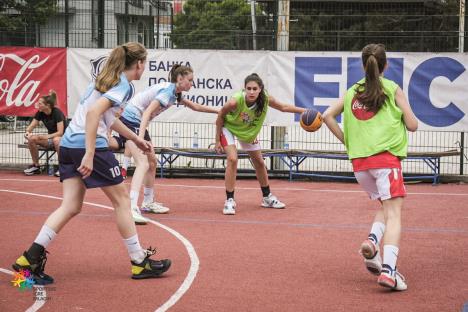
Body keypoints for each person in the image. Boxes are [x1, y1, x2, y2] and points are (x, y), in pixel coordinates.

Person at [12, 42, 171, 284]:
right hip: (88, 147)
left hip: (66, 146)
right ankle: (139, 262)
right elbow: (93, 114)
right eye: (144, 63)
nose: (144, 68)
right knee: (122, 201)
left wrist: (136, 138)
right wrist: (88, 153)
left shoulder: (103, 82)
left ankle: (29, 258)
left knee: (71, 206)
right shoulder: (123, 85)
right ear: (139, 64)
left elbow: (107, 118)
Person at [322, 43, 418, 291]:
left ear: (364, 65)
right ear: (385, 65)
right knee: (395, 213)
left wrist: (348, 141)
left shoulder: (352, 91)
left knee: (386, 206)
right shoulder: (392, 89)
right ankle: (389, 271)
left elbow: (326, 116)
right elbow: (413, 124)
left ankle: (373, 241)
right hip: (385, 160)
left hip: (360, 165)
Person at [115, 64, 219, 224]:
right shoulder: (167, 92)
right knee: (143, 163)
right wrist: (140, 138)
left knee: (152, 162)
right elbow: (148, 112)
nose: (192, 83)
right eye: (190, 80)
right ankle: (131, 206)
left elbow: (196, 106)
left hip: (136, 121)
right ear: (179, 79)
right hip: (131, 120)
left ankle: (148, 202)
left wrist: (220, 111)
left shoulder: (176, 93)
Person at [214, 73, 306, 215]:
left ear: (260, 89)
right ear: (244, 89)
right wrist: (217, 140)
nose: (251, 92)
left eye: (254, 88)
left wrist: (305, 111)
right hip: (229, 128)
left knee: (259, 162)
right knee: (232, 159)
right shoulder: (235, 101)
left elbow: (283, 107)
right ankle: (230, 200)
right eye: (248, 88)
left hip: (248, 132)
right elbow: (220, 116)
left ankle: (267, 197)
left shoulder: (266, 99)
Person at [23, 91, 67, 177]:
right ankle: (36, 166)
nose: (37, 105)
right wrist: (27, 133)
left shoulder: (57, 113)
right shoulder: (40, 112)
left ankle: (63, 168)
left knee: (56, 140)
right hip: (51, 140)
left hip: (64, 140)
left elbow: (60, 133)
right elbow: (31, 126)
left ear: (47, 106)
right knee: (32, 139)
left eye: (40, 103)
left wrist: (45, 136)